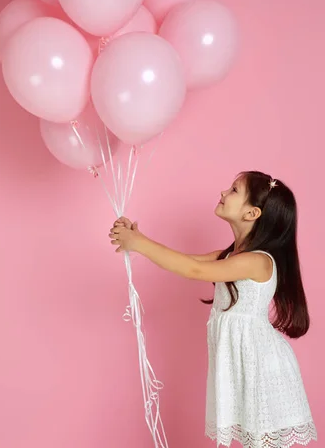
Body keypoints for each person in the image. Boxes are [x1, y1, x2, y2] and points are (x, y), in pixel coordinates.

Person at [109, 171, 317, 448]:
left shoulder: (257, 261)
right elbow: (184, 260)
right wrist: (138, 239)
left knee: (262, 439)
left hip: (259, 363)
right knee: (249, 437)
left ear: (252, 213)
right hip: (240, 360)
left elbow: (194, 269)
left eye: (233, 190)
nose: (222, 193)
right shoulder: (230, 256)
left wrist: (140, 244)